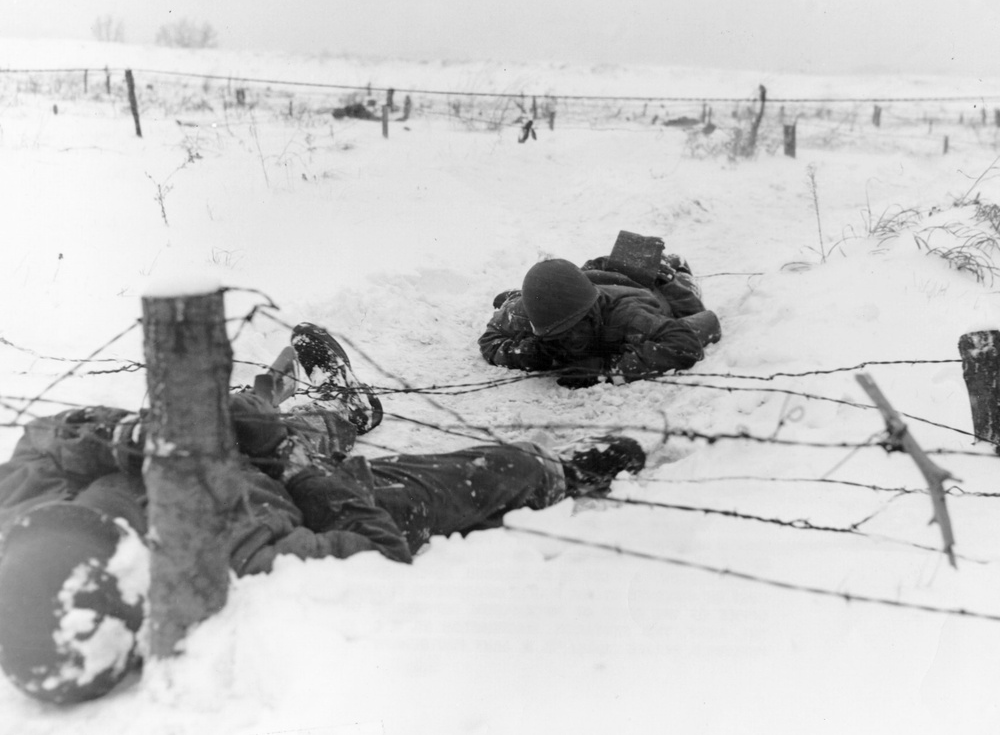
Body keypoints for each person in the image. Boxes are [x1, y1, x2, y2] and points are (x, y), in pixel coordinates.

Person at [0, 322, 645, 705]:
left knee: (240, 411)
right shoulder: (229, 560)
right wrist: (302, 466)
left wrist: (122, 437)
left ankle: (341, 412)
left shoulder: (22, 509)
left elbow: (46, 435)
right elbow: (375, 549)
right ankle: (560, 473)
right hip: (299, 488)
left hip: (219, 453)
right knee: (496, 471)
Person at [478, 243, 722, 388]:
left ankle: (671, 263)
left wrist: (605, 368)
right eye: (559, 336)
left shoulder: (628, 315)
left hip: (645, 290)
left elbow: (685, 344)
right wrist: (530, 354)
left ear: (592, 315)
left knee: (680, 284)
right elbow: (491, 338)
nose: (570, 342)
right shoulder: (531, 313)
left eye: (576, 329)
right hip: (592, 279)